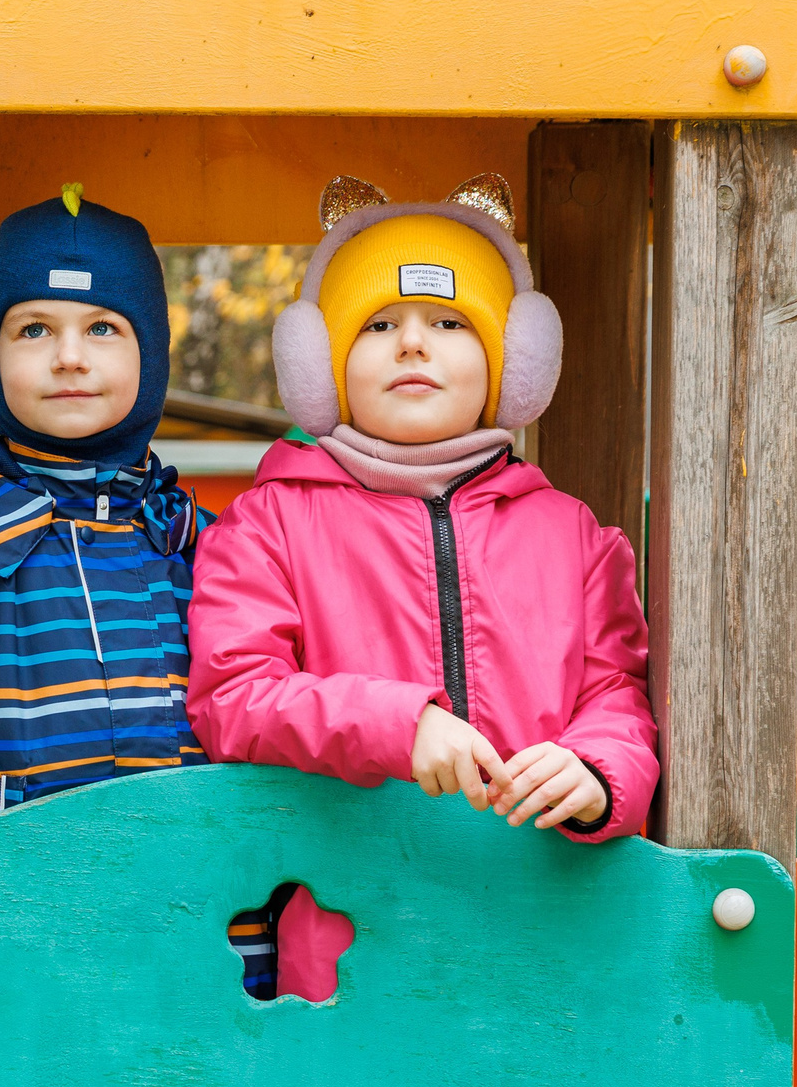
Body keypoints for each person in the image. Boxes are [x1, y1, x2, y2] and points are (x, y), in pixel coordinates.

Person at [187, 173, 657, 994]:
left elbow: (616, 691)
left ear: (514, 363)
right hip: (346, 936)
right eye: (378, 323)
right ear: (320, 365)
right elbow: (233, 697)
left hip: (548, 922)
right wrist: (397, 724)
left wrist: (598, 771)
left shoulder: (573, 534)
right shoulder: (268, 523)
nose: (413, 344)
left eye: (448, 322)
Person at [0, 186, 208, 838]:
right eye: (34, 329)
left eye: (103, 327)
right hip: (30, 917)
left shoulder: (196, 541)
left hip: (201, 915)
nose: (69, 356)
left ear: (152, 355)